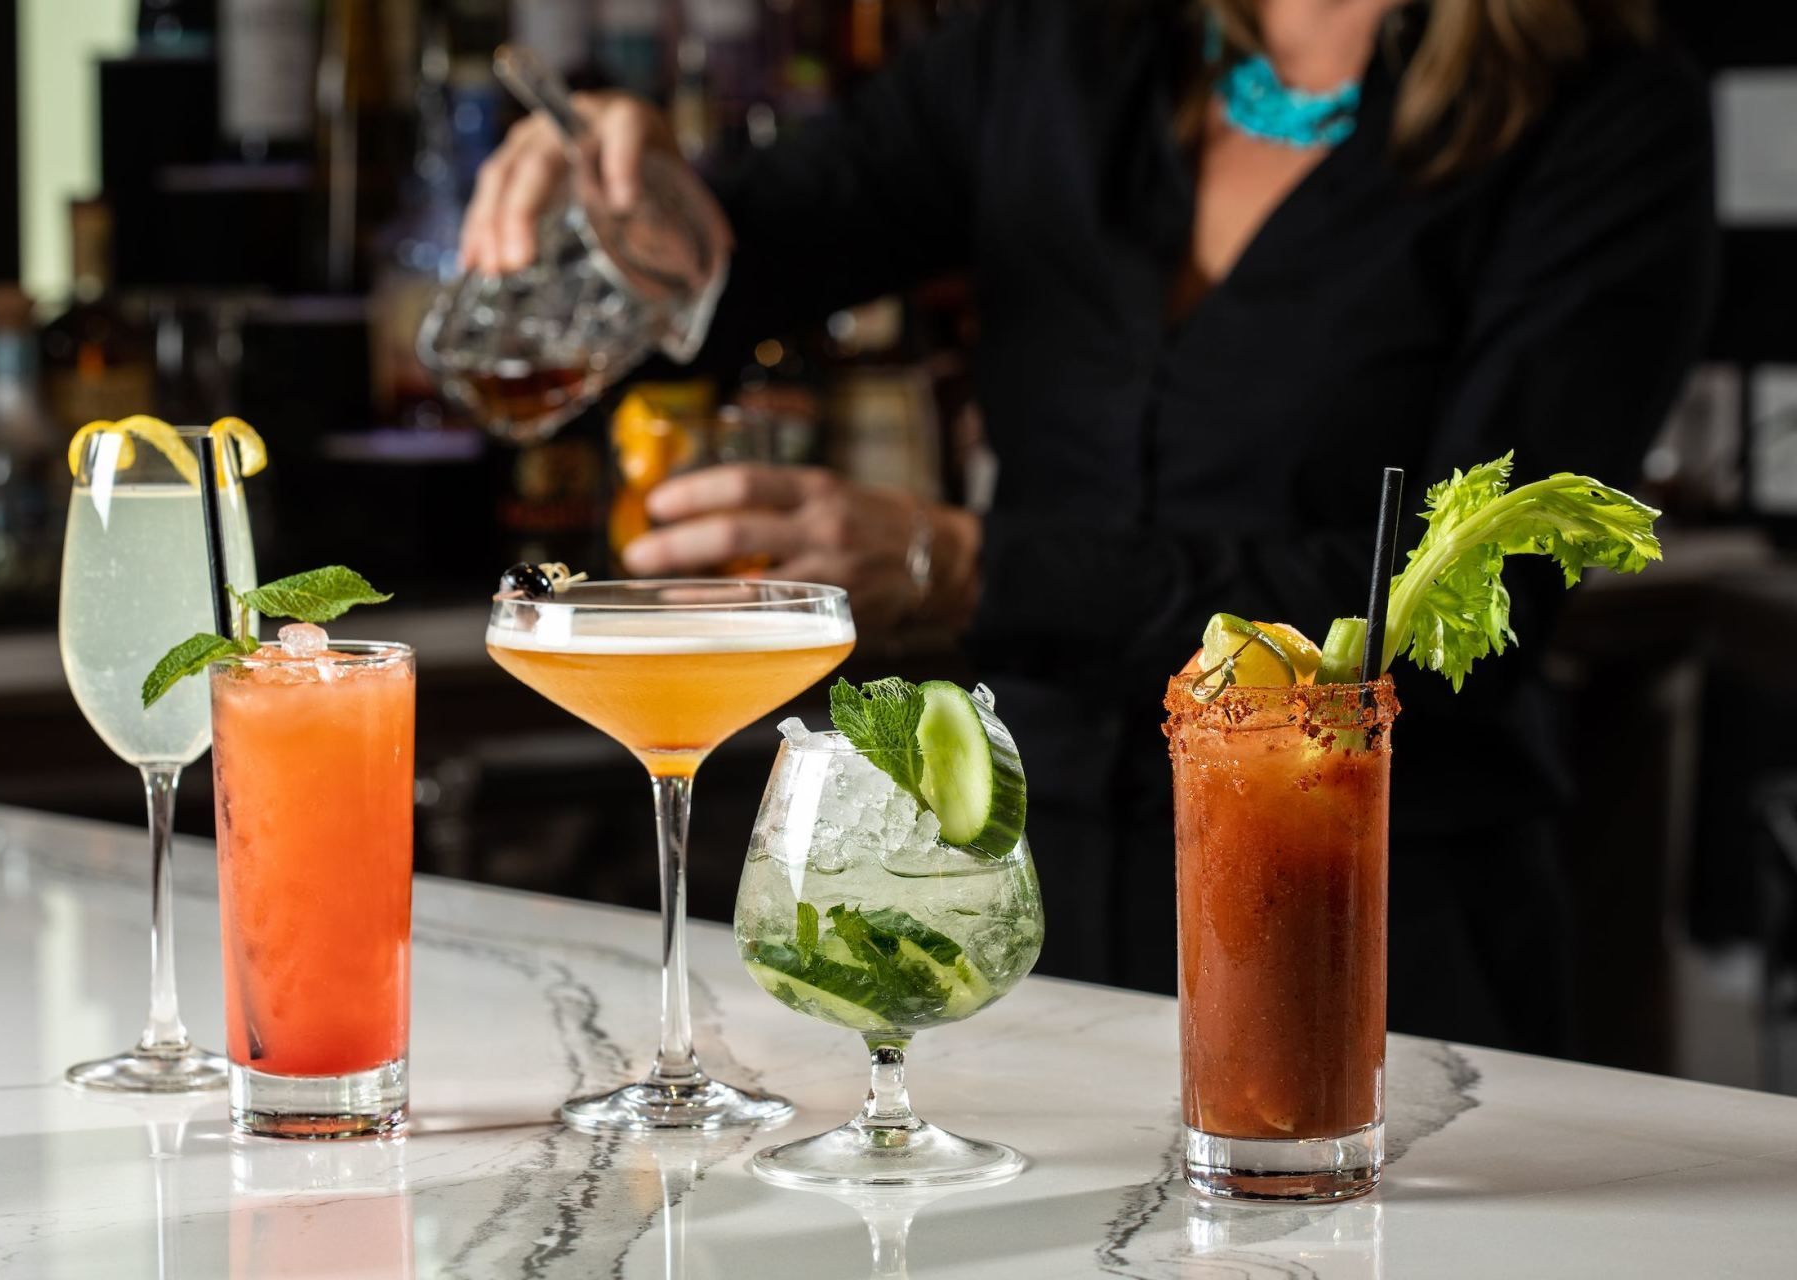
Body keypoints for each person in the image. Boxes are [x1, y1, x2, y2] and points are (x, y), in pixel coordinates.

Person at [462, 0, 1716, 1054]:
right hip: (1020, 898)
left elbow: (1462, 608)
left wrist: (969, 569)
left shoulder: (1607, 116)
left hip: (1374, 921)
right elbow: (743, 261)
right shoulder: (1061, 44)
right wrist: (629, 215)